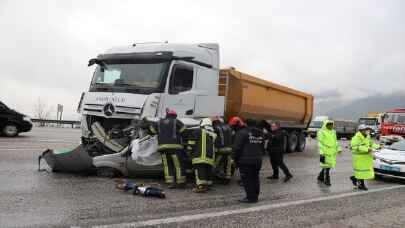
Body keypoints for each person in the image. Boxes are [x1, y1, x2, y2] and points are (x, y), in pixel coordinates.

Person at [149, 109, 186, 189]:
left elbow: (152, 130)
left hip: (163, 148)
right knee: (178, 165)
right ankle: (180, 182)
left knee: (167, 165)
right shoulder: (176, 121)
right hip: (175, 148)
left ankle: (170, 182)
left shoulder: (159, 122)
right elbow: (184, 130)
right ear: (174, 115)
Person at [233, 118, 265, 203]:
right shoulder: (261, 133)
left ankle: (251, 197)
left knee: (247, 179)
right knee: (255, 177)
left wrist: (234, 159)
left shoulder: (242, 133)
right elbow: (262, 147)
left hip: (246, 160)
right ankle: (255, 196)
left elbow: (237, 148)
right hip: (258, 160)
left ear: (246, 124)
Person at [350, 124, 380, 190]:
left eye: (367, 130)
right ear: (360, 130)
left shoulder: (367, 137)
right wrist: (367, 149)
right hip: (359, 158)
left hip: (366, 158)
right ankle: (361, 185)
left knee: (364, 172)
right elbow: (354, 147)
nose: (367, 131)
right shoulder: (356, 138)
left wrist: (378, 146)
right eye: (365, 130)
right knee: (361, 172)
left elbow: (371, 144)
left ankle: (354, 178)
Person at [191, 118, 217, 193]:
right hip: (210, 157)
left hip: (199, 156)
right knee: (207, 170)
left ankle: (201, 186)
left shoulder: (198, 131)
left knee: (199, 171)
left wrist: (190, 151)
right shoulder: (213, 134)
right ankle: (208, 185)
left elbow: (192, 142)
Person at [316, 120, 342, 186]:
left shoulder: (333, 132)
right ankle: (327, 180)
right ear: (325, 125)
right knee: (327, 167)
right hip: (325, 152)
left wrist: (339, 149)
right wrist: (321, 153)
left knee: (328, 166)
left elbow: (335, 141)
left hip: (332, 152)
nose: (331, 126)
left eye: (331, 125)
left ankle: (320, 177)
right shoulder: (321, 132)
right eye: (329, 125)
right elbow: (320, 143)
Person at [212, 118, 234, 184]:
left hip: (220, 149)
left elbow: (214, 138)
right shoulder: (228, 126)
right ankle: (227, 178)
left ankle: (211, 176)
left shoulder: (215, 127)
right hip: (229, 148)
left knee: (216, 163)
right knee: (228, 163)